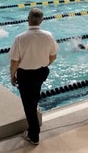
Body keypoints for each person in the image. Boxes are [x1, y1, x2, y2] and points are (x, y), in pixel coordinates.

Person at [9, 8, 58, 146]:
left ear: (28, 19)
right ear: (41, 21)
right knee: (34, 98)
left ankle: (34, 135)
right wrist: (42, 64)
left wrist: (12, 76)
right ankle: (33, 127)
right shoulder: (48, 35)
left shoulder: (20, 38)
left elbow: (14, 62)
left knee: (28, 105)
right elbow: (53, 56)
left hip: (25, 75)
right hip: (41, 73)